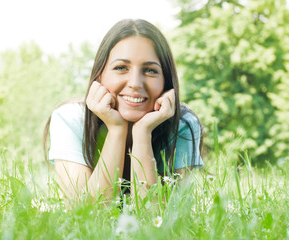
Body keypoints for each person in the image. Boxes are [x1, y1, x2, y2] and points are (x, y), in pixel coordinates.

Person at [43, 19, 204, 200]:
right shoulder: (70, 119)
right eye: (121, 68)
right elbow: (87, 216)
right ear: (99, 75)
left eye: (150, 70)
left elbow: (155, 221)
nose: (135, 83)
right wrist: (117, 130)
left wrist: (143, 134)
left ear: (166, 81)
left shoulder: (183, 125)